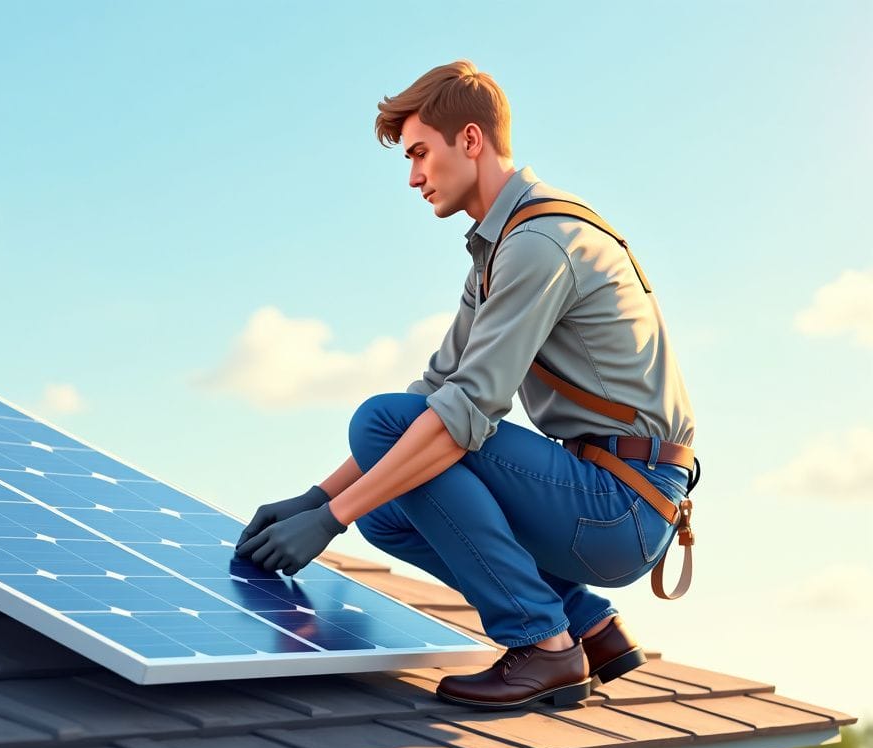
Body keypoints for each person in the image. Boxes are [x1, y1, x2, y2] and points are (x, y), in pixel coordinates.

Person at [234, 60, 698, 710]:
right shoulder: (501, 247)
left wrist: (330, 519)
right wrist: (317, 498)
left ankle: (544, 645)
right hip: (609, 493)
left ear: (471, 140)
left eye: (421, 152)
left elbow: (462, 413)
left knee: (381, 428)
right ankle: (587, 624)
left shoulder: (541, 244)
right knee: (389, 509)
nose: (414, 176)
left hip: (620, 508)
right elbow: (436, 390)